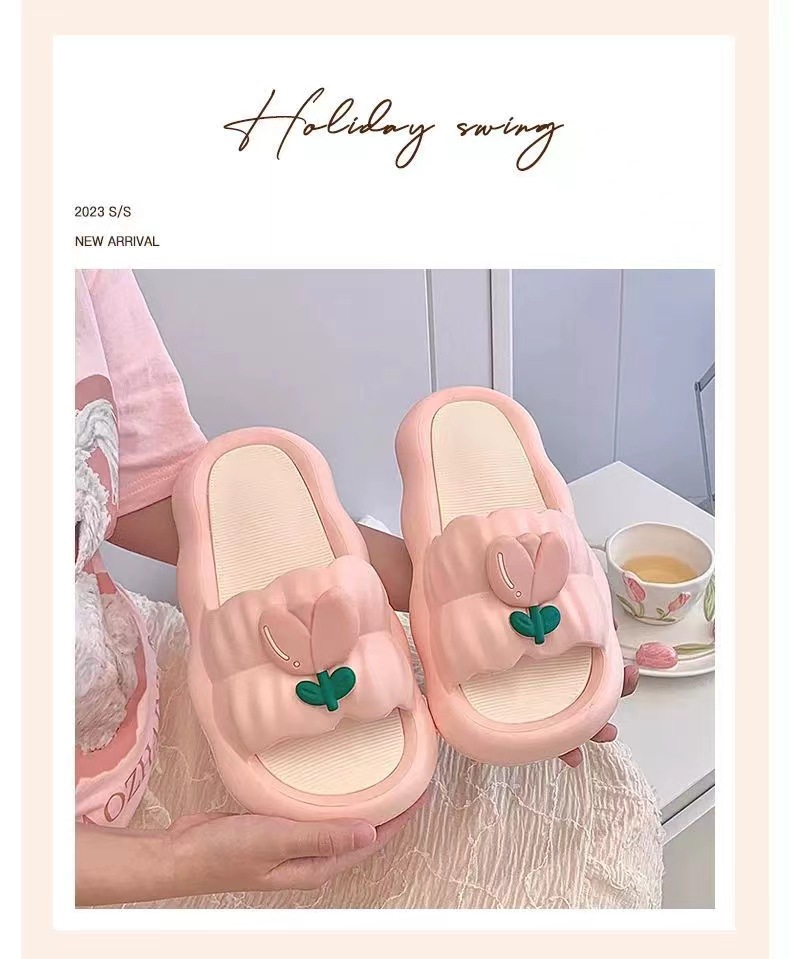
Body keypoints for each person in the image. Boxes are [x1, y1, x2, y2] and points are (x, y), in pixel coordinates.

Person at [75, 270, 656, 909]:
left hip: (125, 690)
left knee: (588, 807)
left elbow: (138, 491)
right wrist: (167, 864)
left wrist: (446, 582)